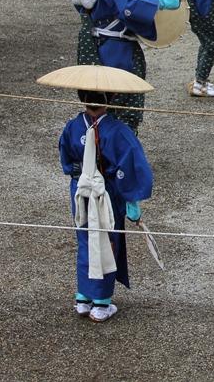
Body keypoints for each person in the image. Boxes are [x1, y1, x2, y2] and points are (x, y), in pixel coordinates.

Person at [59, 84, 153, 322]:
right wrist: (132, 201)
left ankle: (83, 297)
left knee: (85, 238)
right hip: (106, 191)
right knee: (106, 241)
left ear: (82, 98)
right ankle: (100, 302)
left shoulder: (72, 127)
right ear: (111, 98)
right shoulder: (118, 130)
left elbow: (66, 162)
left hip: (80, 189)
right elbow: (131, 167)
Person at [76, 0, 179, 132]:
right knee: (125, 110)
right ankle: (120, 158)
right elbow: (128, 8)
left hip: (99, 45)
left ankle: (99, 156)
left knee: (101, 108)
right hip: (118, 51)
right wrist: (160, 3)